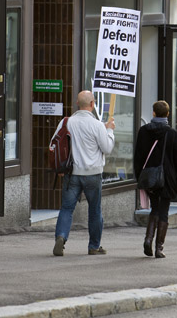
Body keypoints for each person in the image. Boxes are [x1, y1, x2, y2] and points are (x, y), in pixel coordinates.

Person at [52, 90, 115, 257]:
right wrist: (109, 130)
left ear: (77, 104)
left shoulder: (67, 122)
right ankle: (94, 246)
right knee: (95, 210)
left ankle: (61, 237)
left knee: (66, 208)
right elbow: (107, 148)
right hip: (93, 173)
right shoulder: (97, 125)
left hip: (72, 173)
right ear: (93, 104)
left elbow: (54, 144)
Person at [134, 100, 177, 258]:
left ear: (153, 113)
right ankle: (159, 248)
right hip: (167, 178)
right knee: (163, 212)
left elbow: (138, 156)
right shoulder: (171, 133)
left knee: (155, 209)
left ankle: (148, 239)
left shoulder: (144, 131)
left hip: (150, 178)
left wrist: (140, 177)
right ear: (168, 114)